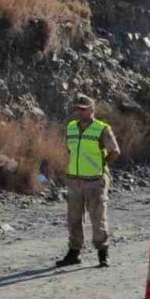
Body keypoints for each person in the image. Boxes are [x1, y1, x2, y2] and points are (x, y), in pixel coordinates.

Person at [56, 94, 121, 268]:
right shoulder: (70, 127)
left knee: (98, 217)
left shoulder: (101, 129)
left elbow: (114, 151)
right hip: (74, 180)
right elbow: (69, 150)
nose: (80, 111)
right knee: (73, 218)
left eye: (84, 109)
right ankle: (74, 253)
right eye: (78, 108)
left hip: (95, 180)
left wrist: (102, 165)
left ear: (92, 110)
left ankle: (103, 254)